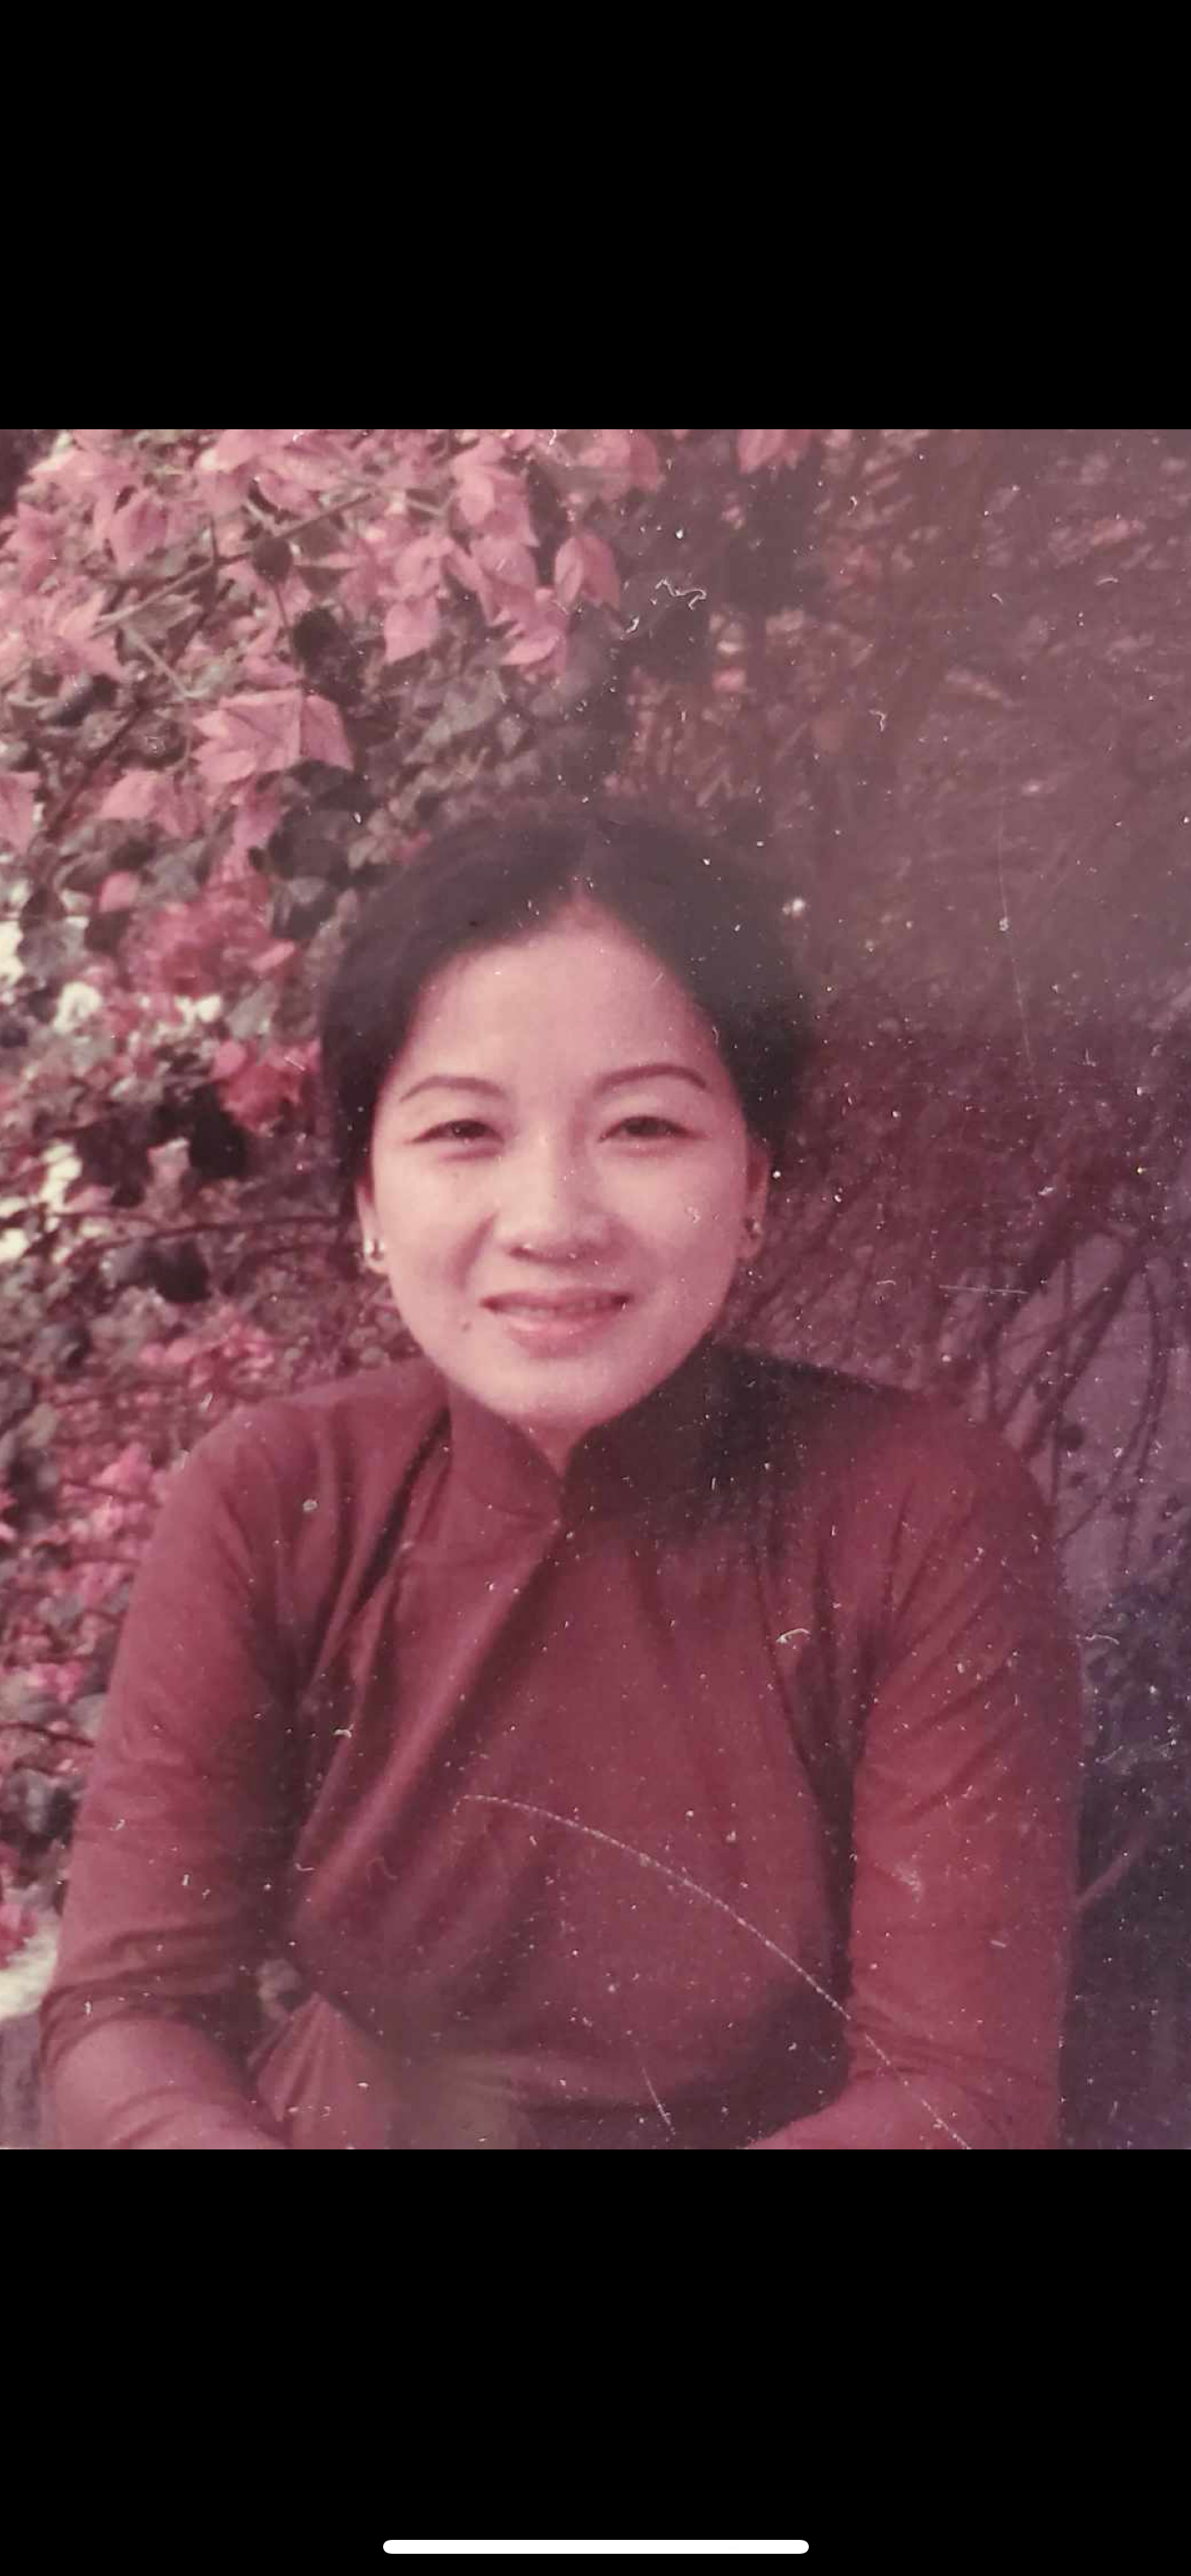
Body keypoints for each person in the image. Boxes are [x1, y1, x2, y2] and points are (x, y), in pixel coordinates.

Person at [40, 806, 1082, 2149]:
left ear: (755, 1177)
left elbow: (963, 2094)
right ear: (364, 1196)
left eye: (643, 1127)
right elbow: (124, 2007)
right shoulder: (270, 1499)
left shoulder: (921, 1511)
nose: (551, 1220)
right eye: (464, 1132)